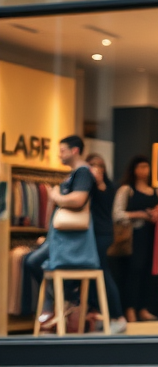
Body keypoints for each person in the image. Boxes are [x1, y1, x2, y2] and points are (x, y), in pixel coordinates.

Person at [25, 135, 100, 330]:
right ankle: (63, 299)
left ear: (74, 150)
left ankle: (63, 300)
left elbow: (78, 200)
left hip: (70, 237)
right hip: (61, 236)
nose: (59, 154)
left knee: (32, 261)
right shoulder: (76, 173)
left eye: (62, 150)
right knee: (33, 261)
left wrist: (56, 196)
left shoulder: (82, 172)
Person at [113, 156, 158, 322]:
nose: (144, 171)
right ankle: (130, 309)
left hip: (153, 235)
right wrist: (140, 214)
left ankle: (144, 308)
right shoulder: (127, 190)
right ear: (134, 169)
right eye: (140, 167)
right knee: (133, 271)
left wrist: (155, 214)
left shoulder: (157, 191)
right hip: (134, 236)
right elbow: (117, 214)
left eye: (146, 167)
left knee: (149, 272)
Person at [86, 154, 128, 333]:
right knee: (96, 275)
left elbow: (103, 199)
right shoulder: (93, 186)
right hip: (96, 235)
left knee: (102, 273)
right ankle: (101, 315)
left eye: (99, 165)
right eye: (93, 165)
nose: (97, 168)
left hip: (101, 235)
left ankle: (118, 316)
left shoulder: (105, 187)